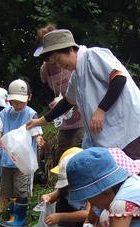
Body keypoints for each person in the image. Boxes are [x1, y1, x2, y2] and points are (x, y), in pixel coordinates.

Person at [27, 29, 140, 178]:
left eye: (58, 59)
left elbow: (119, 78)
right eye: (54, 63)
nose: (59, 65)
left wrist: (101, 110)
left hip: (130, 130)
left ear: (70, 49)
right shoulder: (76, 76)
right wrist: (41, 121)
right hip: (112, 136)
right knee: (122, 179)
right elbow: (67, 102)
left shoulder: (93, 56)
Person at [0, 79, 45, 227]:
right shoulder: (4, 114)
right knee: (6, 188)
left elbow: (36, 132)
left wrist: (39, 139)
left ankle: (20, 218)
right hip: (8, 158)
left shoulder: (31, 114)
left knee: (21, 188)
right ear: (9, 100)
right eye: (15, 102)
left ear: (29, 97)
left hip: (24, 160)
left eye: (21, 102)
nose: (19, 105)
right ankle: (9, 214)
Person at [36, 24, 85, 164]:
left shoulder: (75, 61)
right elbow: (47, 93)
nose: (52, 61)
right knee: (63, 159)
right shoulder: (45, 70)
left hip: (82, 118)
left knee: (80, 155)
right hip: (63, 120)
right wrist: (52, 104)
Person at [40, 147, 89, 227]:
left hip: (83, 223)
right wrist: (47, 197)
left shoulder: (91, 192)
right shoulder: (65, 188)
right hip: (68, 215)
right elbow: (55, 195)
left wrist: (61, 217)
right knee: (61, 202)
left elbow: (87, 214)